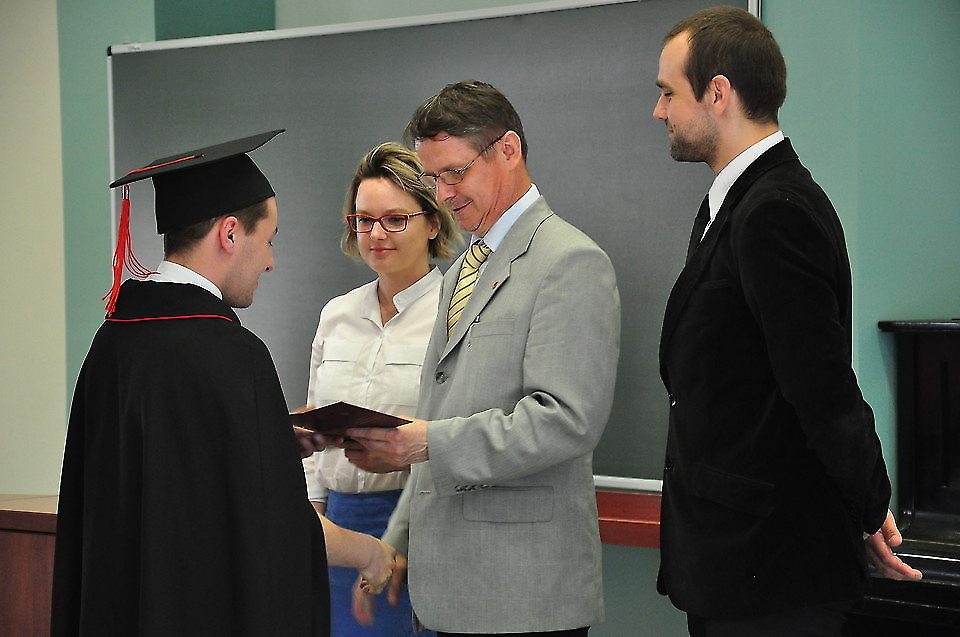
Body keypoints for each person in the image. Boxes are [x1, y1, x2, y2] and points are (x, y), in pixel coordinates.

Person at [51, 130, 396, 637]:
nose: (271, 261)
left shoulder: (113, 344)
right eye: (269, 239)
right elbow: (275, 524)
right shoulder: (235, 356)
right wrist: (369, 551)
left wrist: (278, 439)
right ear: (230, 234)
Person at [652, 8, 922, 636]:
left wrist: (866, 505)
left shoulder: (775, 210)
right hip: (735, 565)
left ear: (718, 92)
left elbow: (821, 387)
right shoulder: (731, 204)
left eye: (667, 92)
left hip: (772, 572)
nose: (659, 111)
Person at [344, 80, 621, 637]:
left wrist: (426, 442)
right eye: (433, 178)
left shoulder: (570, 262)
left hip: (523, 598)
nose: (443, 195)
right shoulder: (462, 270)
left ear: (508, 150)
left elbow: (567, 420)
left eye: (455, 173)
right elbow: (436, 414)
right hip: (448, 591)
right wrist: (397, 541)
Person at [301, 142, 457, 636]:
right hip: (336, 530)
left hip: (419, 526)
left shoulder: (456, 316)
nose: (376, 234)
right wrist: (313, 521)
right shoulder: (337, 314)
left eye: (394, 219)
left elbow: (457, 431)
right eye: (364, 220)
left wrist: (403, 535)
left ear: (432, 223)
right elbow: (314, 433)